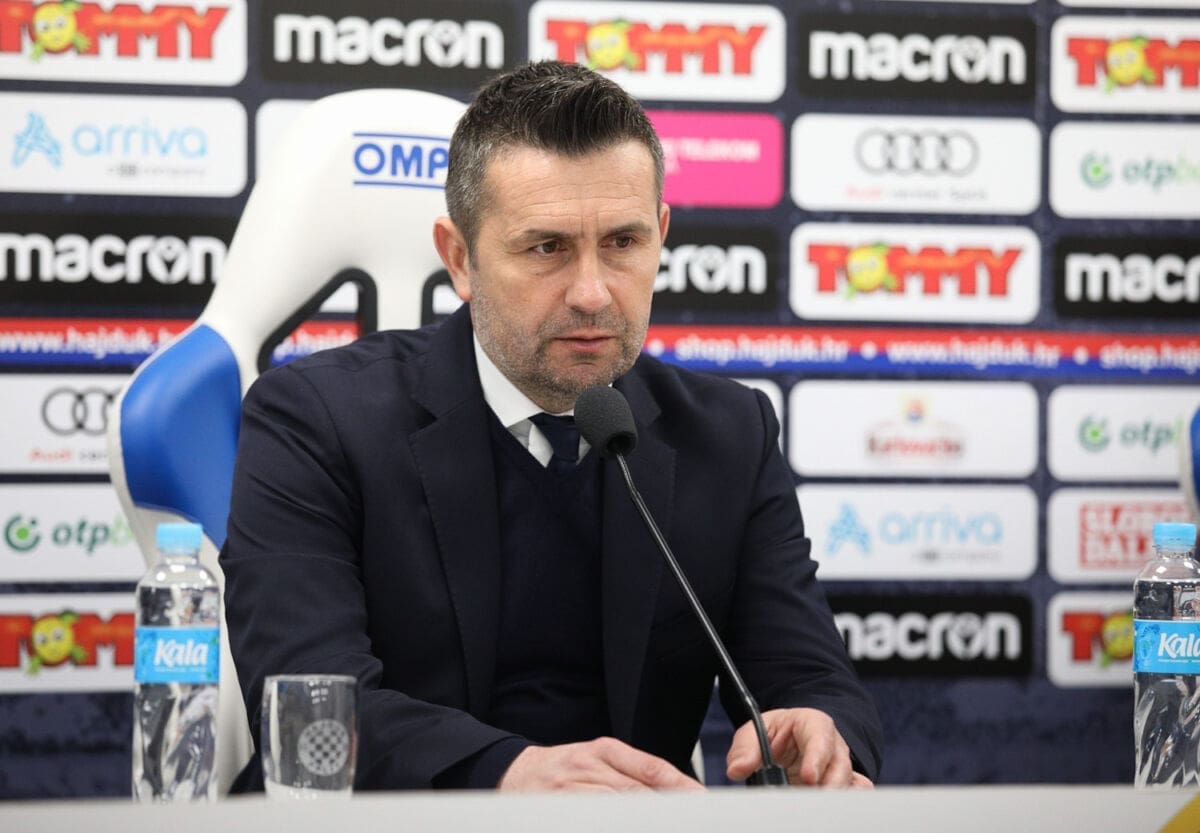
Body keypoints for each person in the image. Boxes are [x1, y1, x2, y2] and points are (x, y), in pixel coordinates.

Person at [221, 60, 882, 793]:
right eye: (547, 248)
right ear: (460, 259)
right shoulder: (314, 419)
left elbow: (811, 677)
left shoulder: (728, 434)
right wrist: (510, 774)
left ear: (661, 235)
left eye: (623, 243)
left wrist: (821, 734)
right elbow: (307, 709)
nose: (593, 293)